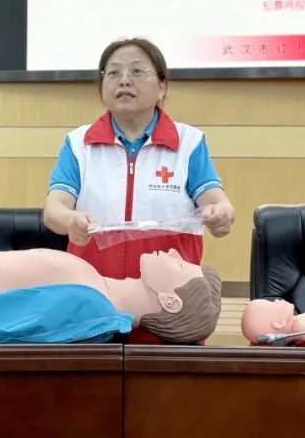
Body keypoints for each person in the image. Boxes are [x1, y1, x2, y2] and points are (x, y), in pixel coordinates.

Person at [42, 38, 234, 342]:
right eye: (113, 73)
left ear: (162, 87)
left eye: (136, 71)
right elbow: (54, 210)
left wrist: (221, 214)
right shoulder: (79, 144)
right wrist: (70, 221)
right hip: (93, 305)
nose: (124, 81)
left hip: (170, 311)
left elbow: (218, 202)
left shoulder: (188, 143)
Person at [0, 247, 222, 344]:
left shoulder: (90, 307)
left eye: (180, 265)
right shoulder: (92, 295)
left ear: (170, 301)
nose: (173, 251)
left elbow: (0, 331)